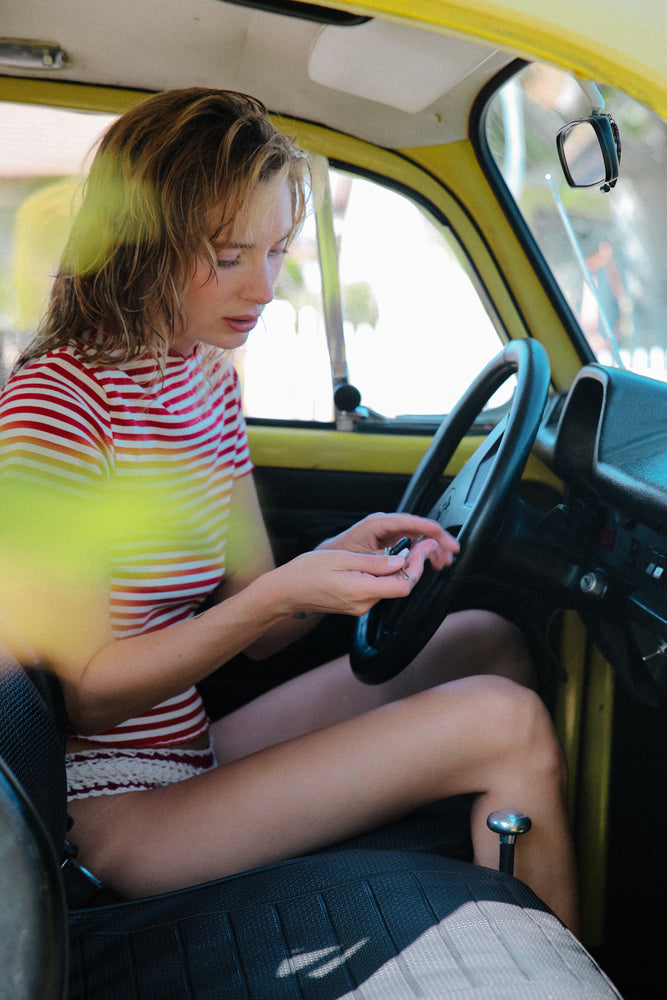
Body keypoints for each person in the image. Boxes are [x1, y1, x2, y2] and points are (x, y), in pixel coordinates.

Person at [0, 88, 579, 934]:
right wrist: (281, 596)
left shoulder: (205, 376)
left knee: (483, 639)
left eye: (275, 252)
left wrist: (342, 563)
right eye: (229, 255)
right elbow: (89, 698)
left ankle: (479, 912)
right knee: (507, 724)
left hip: (190, 747)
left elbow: (261, 614)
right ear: (141, 243)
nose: (263, 287)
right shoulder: (57, 402)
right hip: (111, 807)